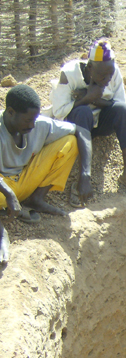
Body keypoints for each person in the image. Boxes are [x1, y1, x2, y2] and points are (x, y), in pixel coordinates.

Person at [0, 84, 92, 265]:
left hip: (24, 181)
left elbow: (82, 132)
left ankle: (36, 199)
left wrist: (85, 175)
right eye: (27, 120)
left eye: (34, 119)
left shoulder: (37, 124)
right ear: (10, 112)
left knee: (70, 142)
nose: (32, 125)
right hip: (3, 190)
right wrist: (9, 193)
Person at [50, 39, 126, 202]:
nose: (108, 78)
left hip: (101, 124)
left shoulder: (113, 72)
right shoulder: (69, 74)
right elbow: (59, 112)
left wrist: (93, 99)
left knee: (123, 111)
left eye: (110, 74)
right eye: (103, 75)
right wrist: (85, 100)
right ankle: (82, 178)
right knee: (82, 112)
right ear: (89, 68)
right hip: (77, 126)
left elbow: (120, 104)